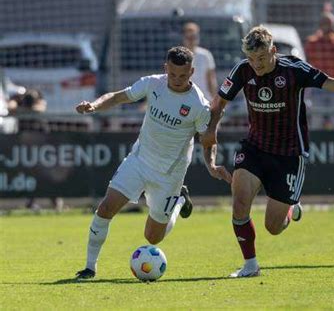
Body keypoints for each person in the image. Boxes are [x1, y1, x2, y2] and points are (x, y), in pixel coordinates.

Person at [201, 26, 334, 278]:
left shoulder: (295, 69)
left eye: (261, 58)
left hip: (289, 154)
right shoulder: (243, 69)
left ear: (273, 51)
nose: (256, 64)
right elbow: (219, 103)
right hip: (254, 148)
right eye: (251, 59)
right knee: (239, 203)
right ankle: (250, 264)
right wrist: (211, 129)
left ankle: (289, 209)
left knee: (273, 227)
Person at [74, 46, 232, 279]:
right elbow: (118, 97)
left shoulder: (198, 104)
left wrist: (211, 165)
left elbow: (207, 140)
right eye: (173, 74)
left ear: (192, 72)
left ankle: (178, 201)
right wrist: (95, 106)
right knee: (106, 208)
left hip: (169, 175)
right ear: (165, 68)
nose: (177, 80)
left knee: (153, 237)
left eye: (183, 75)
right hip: (139, 161)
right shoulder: (152, 84)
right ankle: (89, 267)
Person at [304, 11, 334, 78]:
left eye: (329, 24)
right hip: (316, 81)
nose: (327, 26)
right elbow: (307, 61)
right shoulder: (312, 42)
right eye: (324, 23)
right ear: (320, 25)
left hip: (333, 80)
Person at [182, 22, 218, 101]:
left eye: (194, 37)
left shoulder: (206, 55)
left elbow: (211, 79)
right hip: (185, 99)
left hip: (204, 99)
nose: (191, 40)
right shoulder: (178, 55)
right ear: (184, 38)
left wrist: (215, 100)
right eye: (189, 37)